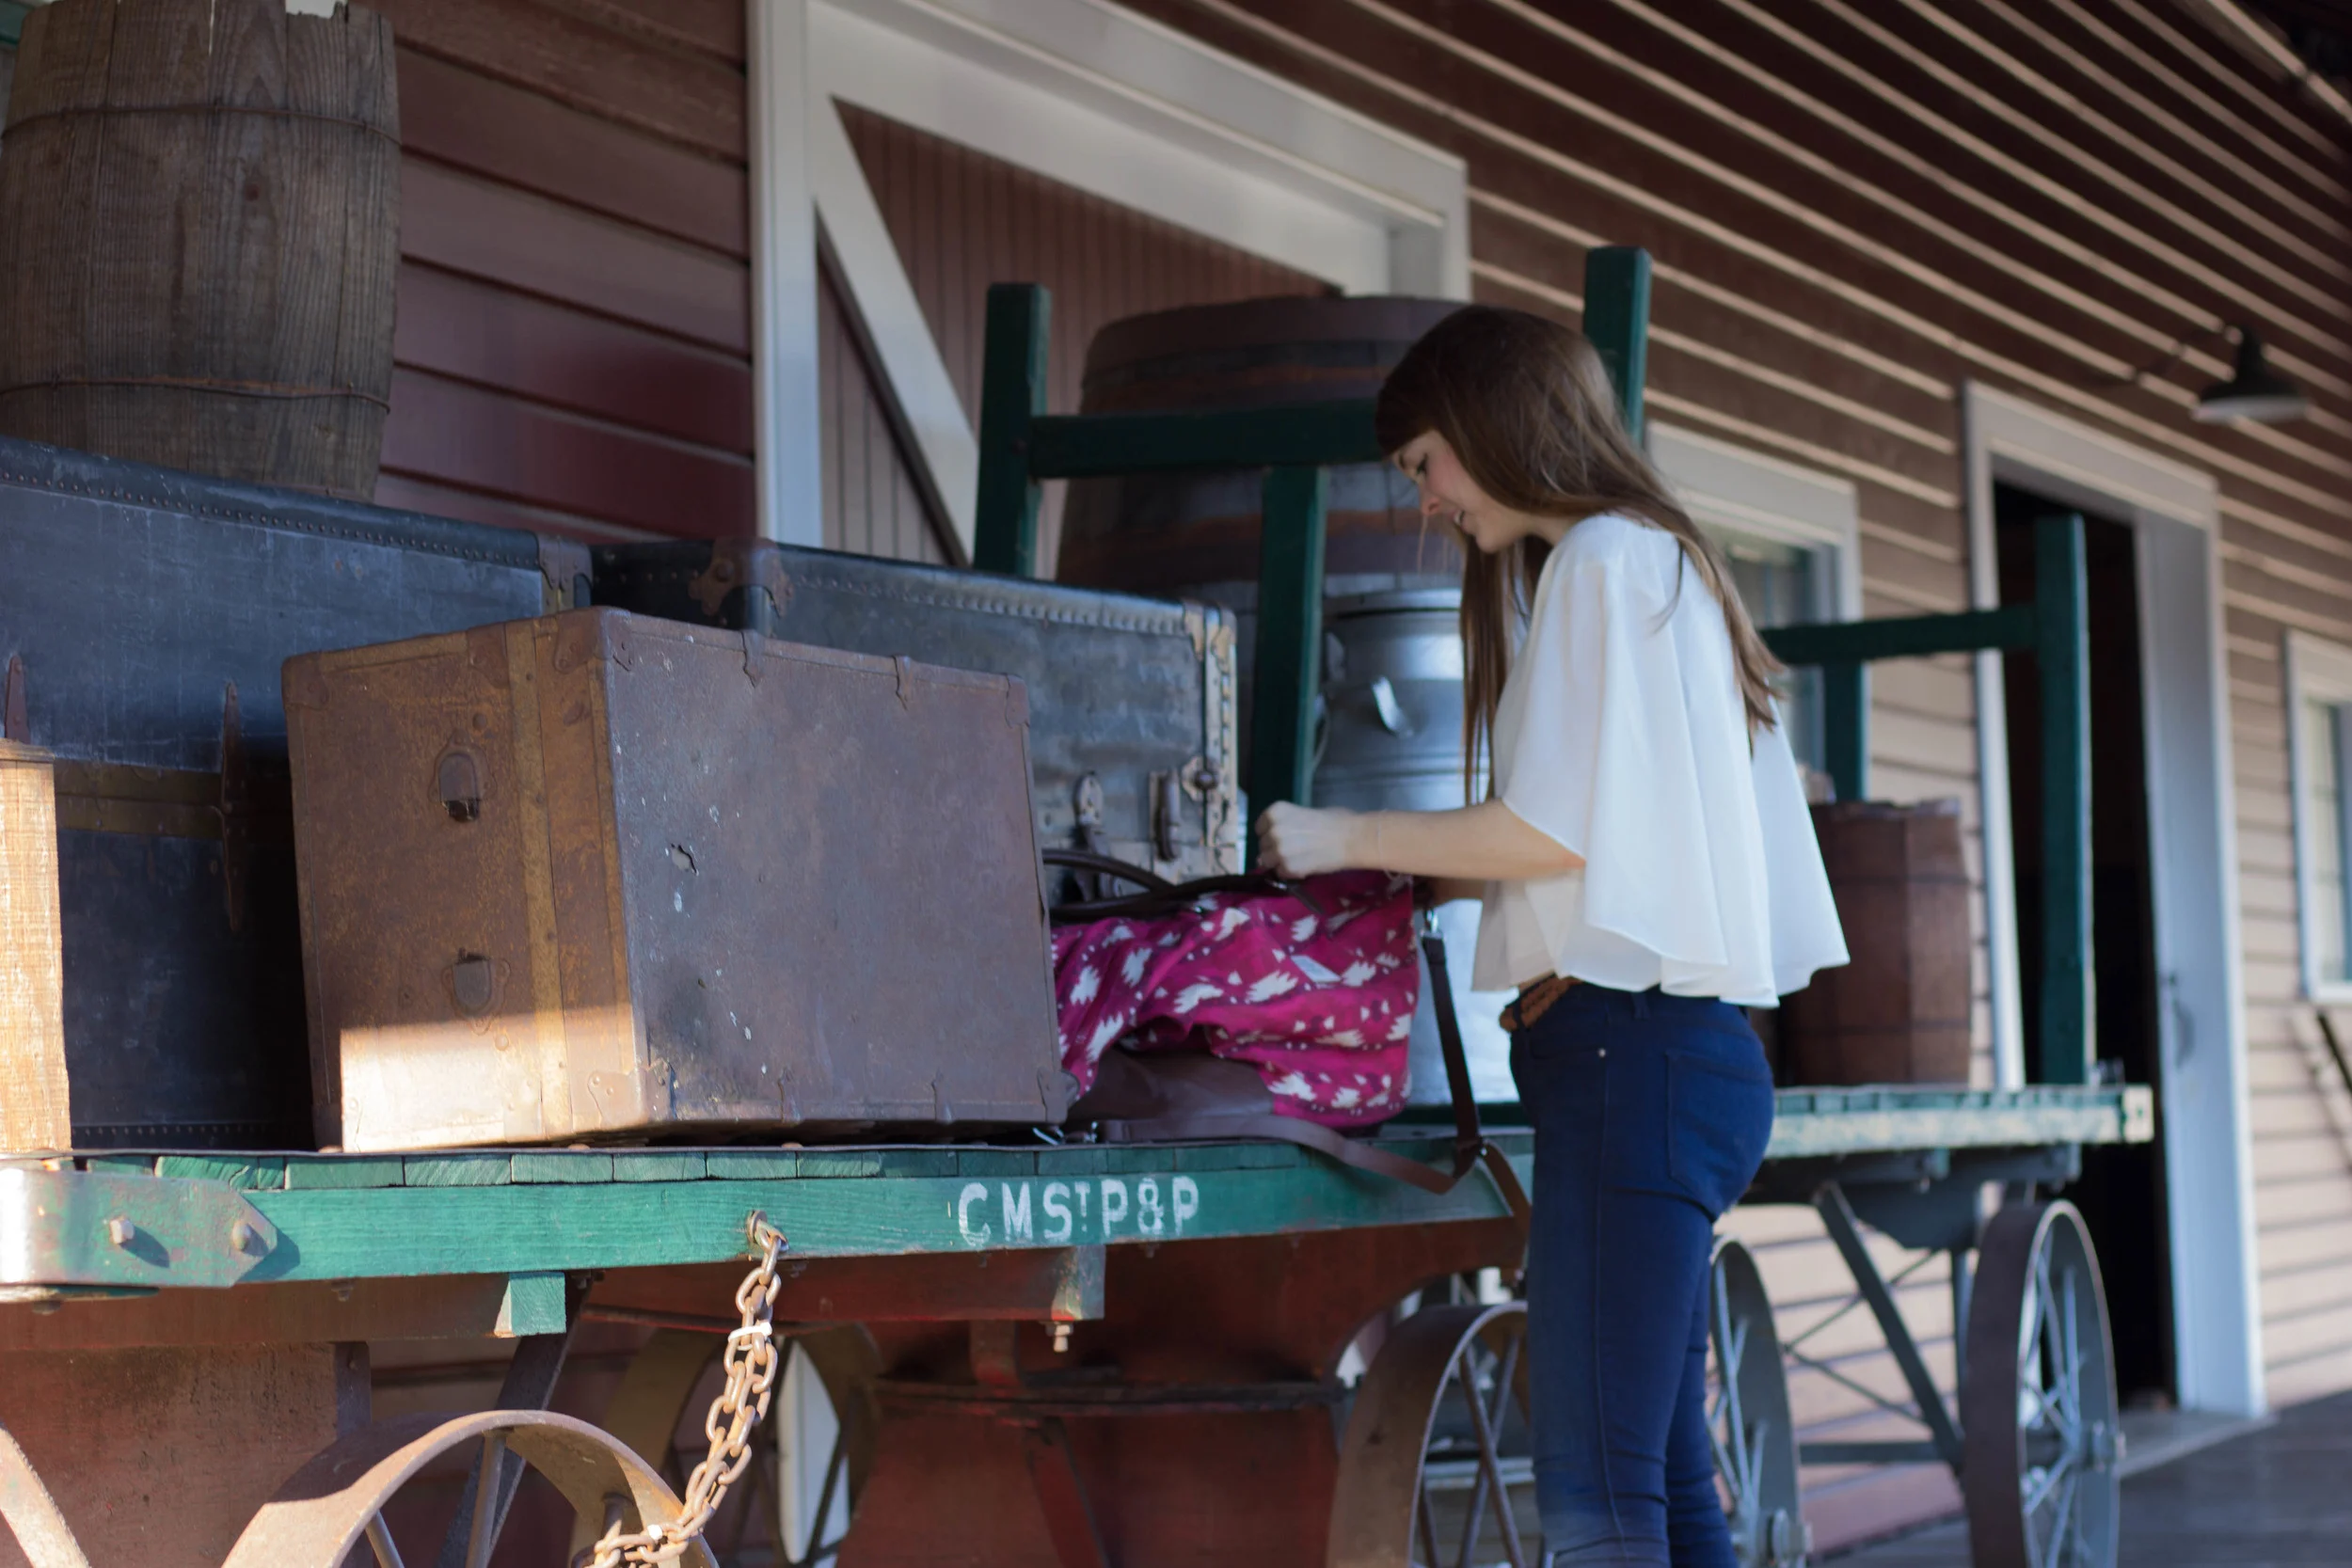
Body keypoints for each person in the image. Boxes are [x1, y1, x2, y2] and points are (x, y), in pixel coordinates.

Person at [1257, 305, 1848, 1567]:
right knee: (1664, 1485)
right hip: (1667, 1057)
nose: (1425, 500)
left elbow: (1554, 829)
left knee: (1594, 1495)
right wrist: (1431, 879)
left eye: (1425, 462)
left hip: (1627, 1059)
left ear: (1491, 424)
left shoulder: (1600, 564)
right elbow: (1622, 849)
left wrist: (1343, 831)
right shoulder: (1659, 565)